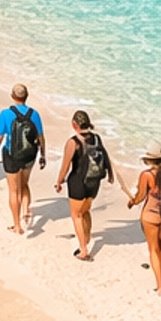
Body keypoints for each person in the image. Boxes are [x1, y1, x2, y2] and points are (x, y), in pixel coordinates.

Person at [55, 109, 115, 260]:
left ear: (74, 125)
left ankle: (83, 249)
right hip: (94, 182)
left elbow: (66, 165)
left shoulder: (73, 142)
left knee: (76, 215)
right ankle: (86, 238)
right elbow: (105, 157)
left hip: (78, 182)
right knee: (86, 210)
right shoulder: (96, 138)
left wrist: (59, 181)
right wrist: (110, 174)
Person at [126, 143, 161, 296]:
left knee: (153, 248)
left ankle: (160, 287)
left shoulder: (147, 175)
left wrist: (132, 202)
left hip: (150, 215)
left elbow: (140, 196)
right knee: (159, 243)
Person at [0, 83, 45, 233]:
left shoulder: (5, 114)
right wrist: (43, 155)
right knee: (24, 183)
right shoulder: (34, 114)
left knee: (13, 190)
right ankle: (26, 210)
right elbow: (40, 137)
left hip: (11, 154)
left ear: (13, 96)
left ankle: (17, 225)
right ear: (26, 96)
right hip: (29, 154)